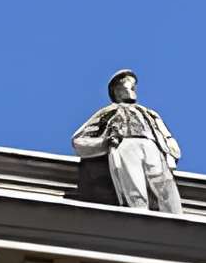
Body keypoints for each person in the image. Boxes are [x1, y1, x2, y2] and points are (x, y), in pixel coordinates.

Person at [71, 70, 185, 214]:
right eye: (124, 86)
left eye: (132, 86)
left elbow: (165, 134)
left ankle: (175, 220)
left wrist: (170, 151)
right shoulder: (109, 111)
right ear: (116, 91)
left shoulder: (148, 112)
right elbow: (79, 139)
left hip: (151, 146)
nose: (130, 89)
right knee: (134, 187)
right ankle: (139, 218)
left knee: (164, 184)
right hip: (125, 145)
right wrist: (104, 143)